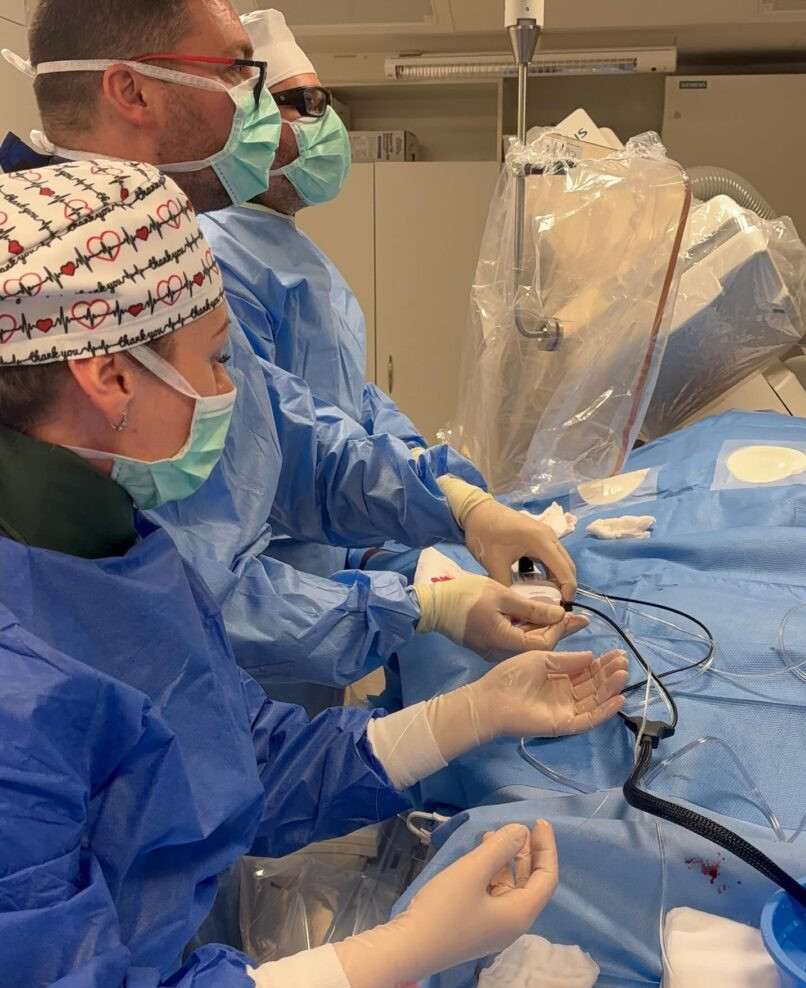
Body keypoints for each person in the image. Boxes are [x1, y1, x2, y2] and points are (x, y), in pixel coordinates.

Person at [0, 161, 629, 988]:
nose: (232, 392)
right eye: (218, 359)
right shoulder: (20, 685)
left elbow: (230, 761)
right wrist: (397, 952)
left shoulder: (108, 542)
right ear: (108, 377)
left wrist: (469, 713)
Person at [1, 0, 581, 716]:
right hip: (175, 703)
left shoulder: (157, 234)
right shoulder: (67, 281)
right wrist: (417, 605)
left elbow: (279, 422)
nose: (260, 108)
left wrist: (457, 504)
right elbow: (176, 588)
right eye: (235, 72)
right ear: (132, 90)